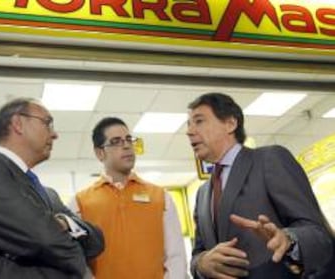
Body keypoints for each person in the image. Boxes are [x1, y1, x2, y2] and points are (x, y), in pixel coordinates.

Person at [0, 98, 104, 279]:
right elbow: (43, 238)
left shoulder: (49, 195)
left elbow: (97, 242)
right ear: (18, 124)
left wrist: (65, 222)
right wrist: (77, 258)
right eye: (47, 123)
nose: (55, 134)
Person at [187, 92, 333, 279]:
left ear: (230, 124)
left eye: (199, 121)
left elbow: (317, 234)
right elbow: (197, 253)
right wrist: (201, 263)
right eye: (189, 124)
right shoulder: (202, 194)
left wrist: (288, 240)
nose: (189, 131)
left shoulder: (269, 159)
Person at [68, 117, 188, 279]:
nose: (126, 146)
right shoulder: (80, 203)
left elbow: (176, 256)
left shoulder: (161, 197)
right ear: (100, 153)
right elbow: (78, 261)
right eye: (116, 141)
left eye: (129, 140)